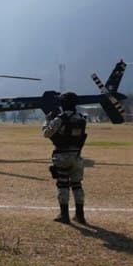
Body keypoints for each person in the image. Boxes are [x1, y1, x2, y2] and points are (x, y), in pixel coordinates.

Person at [42, 92, 88, 224]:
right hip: (77, 156)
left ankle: (64, 215)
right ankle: (80, 215)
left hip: (62, 156)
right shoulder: (81, 118)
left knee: (62, 184)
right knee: (77, 185)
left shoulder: (60, 119)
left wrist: (47, 120)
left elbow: (46, 133)